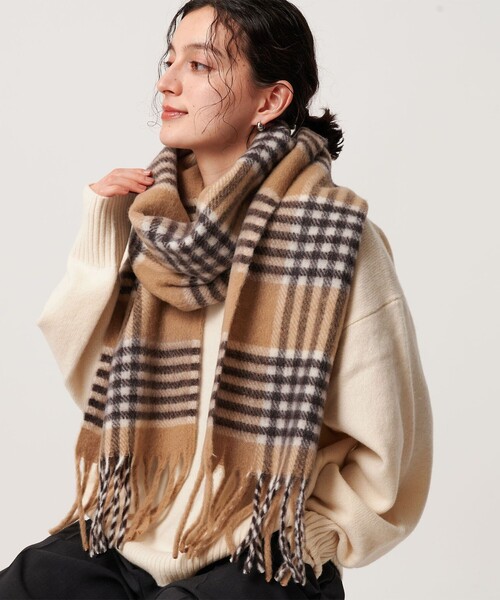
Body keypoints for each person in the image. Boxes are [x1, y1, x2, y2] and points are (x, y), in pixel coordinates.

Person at [0, 0, 433, 598]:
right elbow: (95, 388)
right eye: (170, 60)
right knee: (25, 583)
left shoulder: (333, 238)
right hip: (135, 530)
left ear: (270, 100)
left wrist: (322, 533)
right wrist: (102, 231)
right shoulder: (157, 223)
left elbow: (391, 446)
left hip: (264, 551)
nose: (167, 82)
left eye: (200, 65)